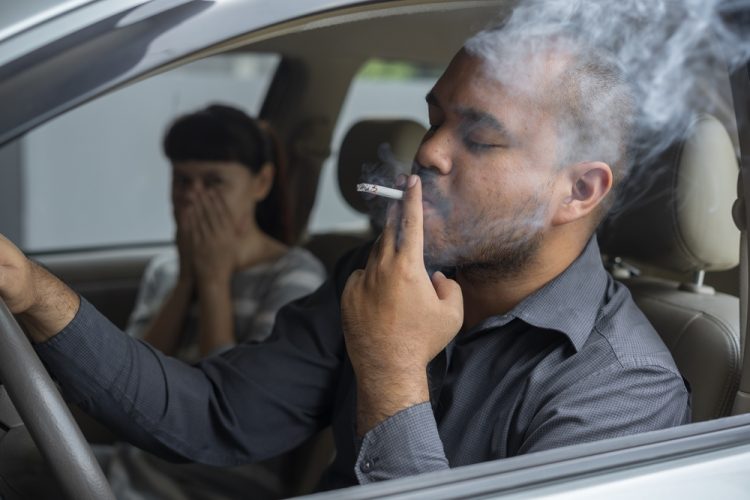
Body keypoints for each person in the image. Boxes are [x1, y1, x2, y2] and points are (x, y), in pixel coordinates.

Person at [0, 25, 689, 493]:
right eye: (437, 116)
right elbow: (214, 415)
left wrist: (391, 369)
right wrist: (33, 292)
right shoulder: (386, 270)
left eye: (479, 139)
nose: (430, 151)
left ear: (578, 190)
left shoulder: (625, 391)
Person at [103, 104, 327, 499]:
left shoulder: (295, 277)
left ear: (261, 183)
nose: (193, 198)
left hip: (214, 483)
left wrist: (213, 281)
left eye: (214, 182)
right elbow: (125, 387)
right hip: (135, 462)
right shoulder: (166, 269)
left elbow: (236, 414)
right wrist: (187, 278)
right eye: (182, 180)